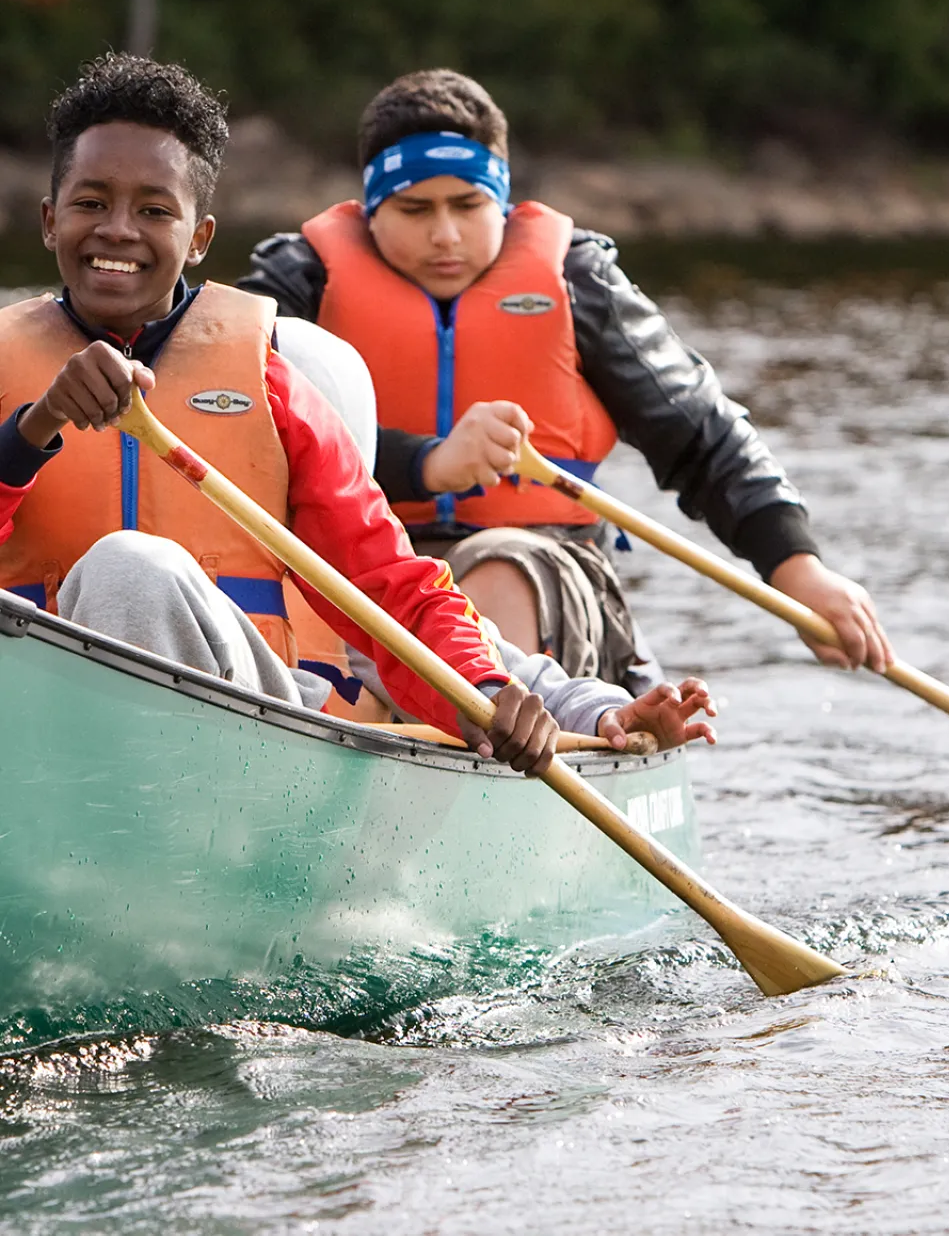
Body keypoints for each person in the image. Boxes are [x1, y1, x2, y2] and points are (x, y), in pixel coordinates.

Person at [0, 52, 567, 776]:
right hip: (33, 729)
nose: (117, 230)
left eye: (153, 210)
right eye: (90, 204)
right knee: (124, 570)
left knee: (128, 570)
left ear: (199, 238)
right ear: (50, 222)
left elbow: (386, 583)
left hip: (238, 739)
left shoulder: (270, 383)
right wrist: (31, 430)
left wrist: (480, 690)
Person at [238, 68, 894, 689]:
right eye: (415, 211)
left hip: (542, 562)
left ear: (501, 200)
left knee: (501, 568)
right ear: (371, 210)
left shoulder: (578, 282)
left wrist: (797, 568)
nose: (445, 235)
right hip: (353, 570)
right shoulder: (299, 283)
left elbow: (705, 439)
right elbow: (235, 427)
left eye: (468, 206)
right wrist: (426, 465)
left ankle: (494, 736)